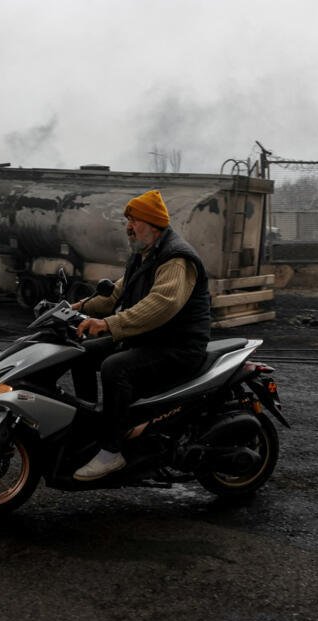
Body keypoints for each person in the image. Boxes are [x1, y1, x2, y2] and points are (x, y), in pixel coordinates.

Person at [70, 189, 212, 481]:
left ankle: (112, 452)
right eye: (128, 221)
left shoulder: (176, 258)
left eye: (134, 220)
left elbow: (162, 304)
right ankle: (90, 431)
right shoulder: (144, 254)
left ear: (153, 224)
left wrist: (109, 324)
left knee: (115, 367)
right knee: (81, 352)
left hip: (178, 347)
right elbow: (114, 295)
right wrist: (76, 308)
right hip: (151, 340)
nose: (128, 227)